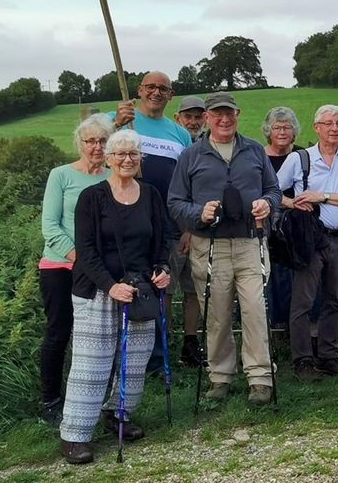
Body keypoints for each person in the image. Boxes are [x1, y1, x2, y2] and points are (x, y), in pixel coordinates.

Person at [60, 130, 171, 464]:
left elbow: (163, 239)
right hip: (97, 289)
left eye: (134, 154)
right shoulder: (92, 198)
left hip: (140, 290)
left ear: (140, 160)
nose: (127, 160)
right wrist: (110, 286)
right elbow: (87, 251)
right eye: (120, 154)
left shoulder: (151, 195)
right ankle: (74, 436)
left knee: (134, 361)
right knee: (91, 364)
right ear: (107, 158)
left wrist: (163, 268)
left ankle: (118, 415)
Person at [168, 92, 281, 404]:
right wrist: (198, 214)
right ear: (207, 117)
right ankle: (220, 376)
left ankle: (260, 377)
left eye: (229, 113)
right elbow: (175, 201)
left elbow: (273, 189)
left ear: (238, 114)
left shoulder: (255, 150)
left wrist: (267, 204)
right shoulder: (191, 156)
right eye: (217, 113)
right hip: (210, 244)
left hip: (250, 241)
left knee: (255, 310)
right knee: (216, 314)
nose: (224, 119)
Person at [276, 104, 338, 380]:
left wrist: (322, 196)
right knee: (302, 300)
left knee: (333, 300)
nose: (335, 128)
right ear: (317, 128)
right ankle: (303, 360)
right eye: (328, 123)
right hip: (310, 238)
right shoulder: (299, 159)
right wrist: (293, 203)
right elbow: (271, 192)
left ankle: (328, 355)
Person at [111, 72, 192, 375]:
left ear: (170, 95)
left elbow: (188, 183)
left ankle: (156, 359)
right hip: (126, 222)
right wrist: (117, 124)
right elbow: (94, 150)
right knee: (125, 287)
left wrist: (186, 227)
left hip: (167, 226)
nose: (156, 92)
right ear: (139, 91)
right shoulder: (120, 119)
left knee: (160, 289)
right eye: (150, 87)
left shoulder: (179, 134)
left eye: (163, 88)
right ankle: (120, 358)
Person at [39, 114, 113, 427]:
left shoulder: (113, 177)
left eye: (102, 141)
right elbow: (50, 226)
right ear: (79, 144)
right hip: (60, 266)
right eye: (90, 141)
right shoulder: (61, 175)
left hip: (100, 271)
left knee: (100, 336)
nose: (96, 147)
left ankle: (98, 398)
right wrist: (79, 259)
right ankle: (51, 400)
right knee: (59, 331)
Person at [170, 95, 206, 367]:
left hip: (199, 230)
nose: (193, 122)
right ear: (177, 119)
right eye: (188, 117)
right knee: (167, 289)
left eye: (198, 117)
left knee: (194, 290)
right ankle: (163, 345)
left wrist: (192, 229)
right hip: (170, 229)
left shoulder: (209, 147)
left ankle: (190, 343)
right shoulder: (173, 146)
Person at [261, 106, 303, 333]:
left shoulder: (303, 155)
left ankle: (295, 325)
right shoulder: (258, 155)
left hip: (297, 225)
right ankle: (274, 325)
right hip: (267, 223)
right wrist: (287, 202)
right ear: (268, 130)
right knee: (272, 273)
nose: (282, 131)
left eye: (287, 127)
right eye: (277, 127)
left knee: (298, 274)